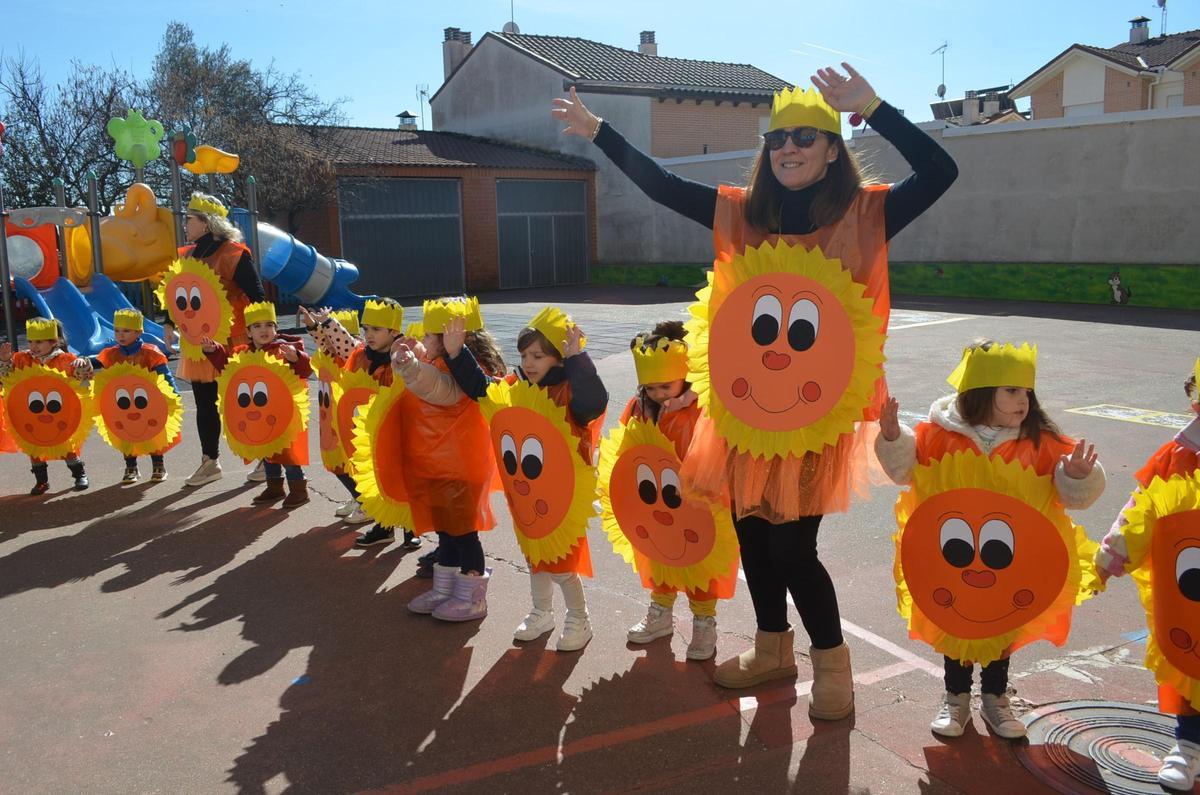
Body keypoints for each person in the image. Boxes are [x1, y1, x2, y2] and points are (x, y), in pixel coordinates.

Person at [553, 64, 958, 716]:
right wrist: (597, 129)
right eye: (777, 138)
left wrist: (873, 106)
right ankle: (772, 649)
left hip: (816, 413)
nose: (788, 148)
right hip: (745, 409)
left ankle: (832, 663)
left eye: (805, 136)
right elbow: (661, 185)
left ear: (833, 149)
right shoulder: (742, 213)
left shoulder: (867, 212)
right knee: (752, 536)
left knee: (794, 548)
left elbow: (941, 171)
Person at [876, 339, 1105, 739]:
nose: (1023, 401)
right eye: (1012, 391)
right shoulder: (939, 434)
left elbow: (1072, 496)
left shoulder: (1038, 442)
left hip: (1009, 564)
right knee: (956, 622)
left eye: (1027, 392)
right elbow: (905, 472)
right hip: (952, 558)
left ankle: (995, 698)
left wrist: (1077, 476)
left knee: (1001, 626)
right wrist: (895, 439)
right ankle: (956, 697)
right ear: (981, 392)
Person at [447, 306, 607, 651]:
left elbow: (594, 401)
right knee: (536, 560)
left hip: (563, 496)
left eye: (538, 355)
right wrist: (457, 354)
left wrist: (578, 360)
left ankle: (580, 618)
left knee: (562, 564)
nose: (529, 363)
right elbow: (482, 389)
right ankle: (541, 612)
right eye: (524, 355)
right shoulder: (516, 387)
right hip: (527, 493)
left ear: (558, 358)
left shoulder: (570, 393)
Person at [1094, 359, 1200, 790]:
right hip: (1190, 590)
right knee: (1190, 662)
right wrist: (1111, 556)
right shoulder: (1178, 456)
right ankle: (1189, 745)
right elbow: (1140, 510)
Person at [178, 193, 265, 488]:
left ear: (206, 223)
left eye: (189, 219)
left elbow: (257, 296)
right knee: (205, 403)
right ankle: (209, 461)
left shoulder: (233, 254)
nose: (185, 224)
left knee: (241, 400)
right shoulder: (188, 256)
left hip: (234, 338)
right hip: (199, 341)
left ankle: (266, 457)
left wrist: (261, 334)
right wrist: (169, 322)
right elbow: (179, 293)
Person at [202, 301, 312, 508]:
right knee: (266, 451)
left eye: (269, 325)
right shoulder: (242, 353)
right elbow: (227, 367)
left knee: (287, 453)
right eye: (257, 326)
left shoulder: (284, 349)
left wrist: (297, 358)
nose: (264, 330)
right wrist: (214, 351)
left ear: (276, 329)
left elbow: (305, 371)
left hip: (284, 414)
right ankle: (274, 486)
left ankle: (299, 489)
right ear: (248, 332)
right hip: (259, 412)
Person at [0, 318, 93, 493]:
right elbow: (7, 378)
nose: (33, 346)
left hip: (59, 412)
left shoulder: (66, 359)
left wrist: (82, 365)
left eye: (39, 342)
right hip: (31, 412)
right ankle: (41, 481)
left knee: (66, 445)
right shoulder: (21, 359)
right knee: (34, 446)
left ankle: (79, 475)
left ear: (53, 342)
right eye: (31, 341)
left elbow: (81, 380)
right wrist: (5, 361)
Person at [90, 308, 178, 482]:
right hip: (122, 404)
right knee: (126, 432)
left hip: (147, 403)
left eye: (126, 331)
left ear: (138, 332)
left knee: (153, 432)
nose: (120, 335)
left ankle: (158, 464)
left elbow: (165, 375)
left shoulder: (151, 353)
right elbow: (106, 379)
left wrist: (173, 394)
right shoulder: (111, 355)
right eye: (117, 331)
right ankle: (131, 466)